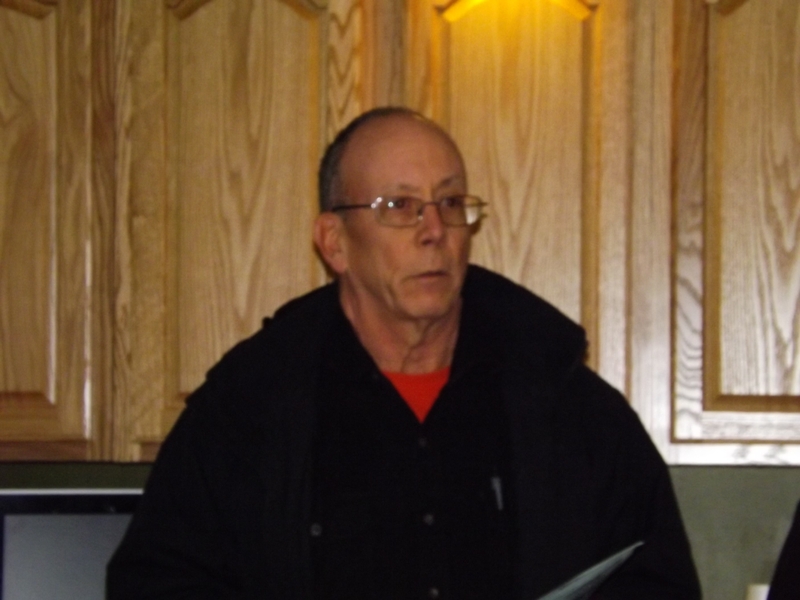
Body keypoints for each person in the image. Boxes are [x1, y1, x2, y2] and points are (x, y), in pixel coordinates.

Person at [107, 107, 701, 599]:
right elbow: (155, 586)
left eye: (450, 203)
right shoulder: (247, 413)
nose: (433, 230)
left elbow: (658, 583)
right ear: (334, 243)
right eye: (399, 207)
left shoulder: (571, 409)